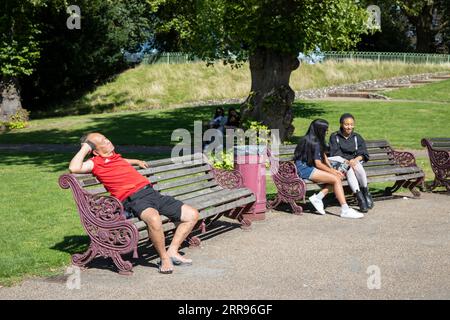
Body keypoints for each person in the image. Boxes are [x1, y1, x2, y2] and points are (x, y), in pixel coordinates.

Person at [68, 132, 199, 274]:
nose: (107, 141)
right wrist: (85, 148)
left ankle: (172, 251)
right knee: (154, 219)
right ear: (94, 151)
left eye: (106, 138)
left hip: (152, 194)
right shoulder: (95, 163)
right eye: (102, 142)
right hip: (134, 199)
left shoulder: (114, 157)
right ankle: (164, 258)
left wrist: (136, 161)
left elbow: (123, 161)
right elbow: (74, 168)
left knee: (192, 214)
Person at [294, 119, 364, 219]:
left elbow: (323, 156)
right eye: (325, 129)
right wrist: (332, 171)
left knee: (337, 177)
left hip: (309, 167)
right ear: (320, 130)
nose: (327, 131)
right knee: (336, 179)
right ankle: (345, 210)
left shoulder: (315, 139)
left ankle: (318, 197)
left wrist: (332, 169)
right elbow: (318, 164)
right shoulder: (313, 142)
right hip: (305, 169)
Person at [329, 113, 374, 212]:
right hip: (340, 163)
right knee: (349, 169)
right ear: (341, 124)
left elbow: (363, 152)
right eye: (346, 124)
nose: (349, 127)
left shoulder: (357, 137)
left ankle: (365, 193)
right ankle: (360, 198)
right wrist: (348, 162)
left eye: (351, 124)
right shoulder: (334, 136)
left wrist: (356, 160)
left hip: (354, 162)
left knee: (358, 167)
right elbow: (335, 153)